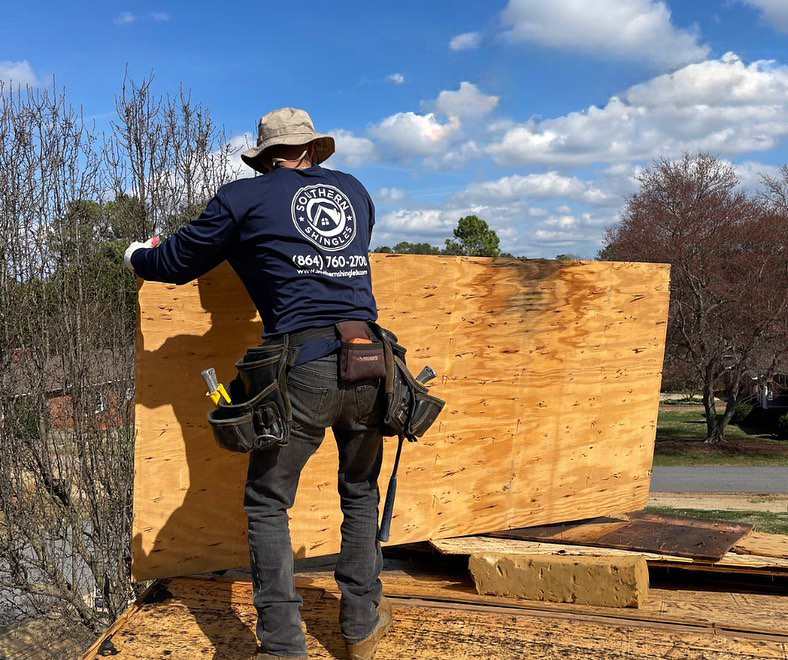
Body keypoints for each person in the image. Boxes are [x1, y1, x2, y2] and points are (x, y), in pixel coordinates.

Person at [125, 108, 392, 660]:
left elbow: (175, 261)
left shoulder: (243, 199)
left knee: (269, 501)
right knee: (360, 490)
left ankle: (282, 644)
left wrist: (138, 256)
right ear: (313, 150)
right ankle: (362, 622)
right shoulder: (355, 192)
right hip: (372, 358)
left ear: (264, 157)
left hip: (304, 364)